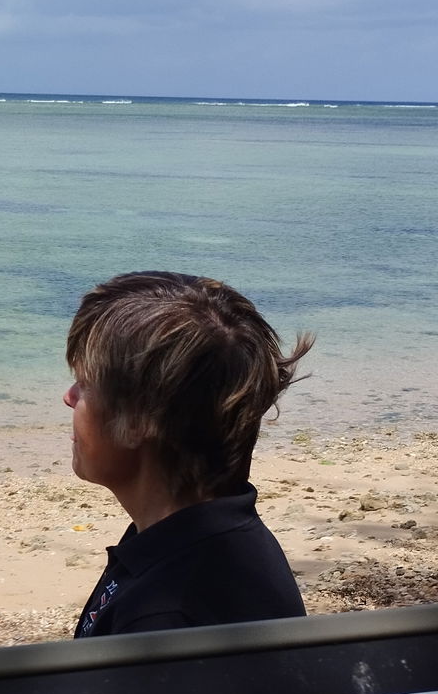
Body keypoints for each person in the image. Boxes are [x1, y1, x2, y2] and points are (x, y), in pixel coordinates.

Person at [64, 271, 313, 638]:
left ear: (141, 419)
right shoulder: (204, 540)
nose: (69, 397)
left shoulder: (165, 618)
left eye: (84, 384)